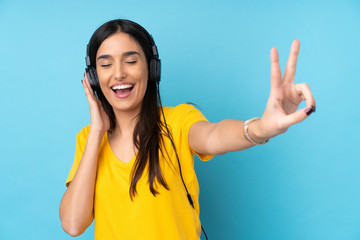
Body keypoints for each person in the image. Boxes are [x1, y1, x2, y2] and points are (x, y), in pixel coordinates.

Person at [59, 19, 316, 240]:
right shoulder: (88, 138)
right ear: (93, 78)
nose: (118, 74)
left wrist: (262, 128)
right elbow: (73, 224)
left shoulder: (178, 121)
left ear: (151, 69)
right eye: (105, 65)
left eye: (130, 61)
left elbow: (213, 135)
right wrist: (97, 132)